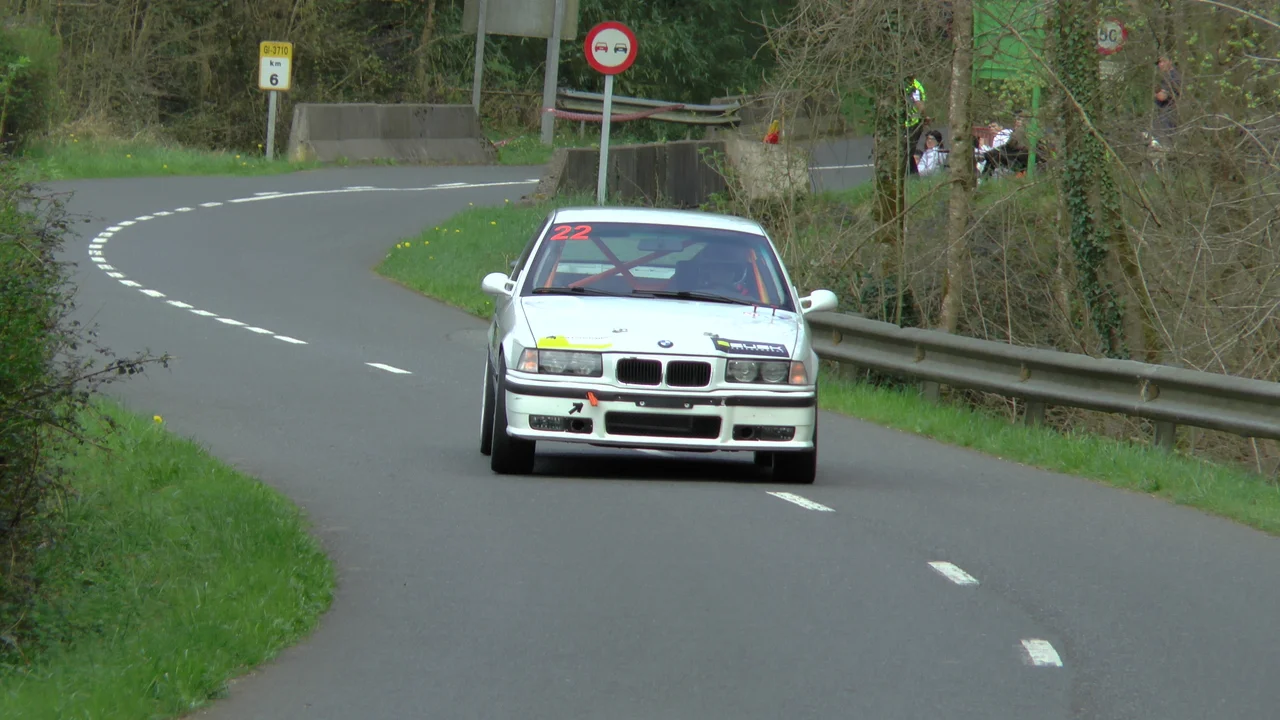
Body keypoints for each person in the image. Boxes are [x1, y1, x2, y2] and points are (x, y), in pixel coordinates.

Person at [903, 76, 928, 175]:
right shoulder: (912, 84)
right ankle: (913, 176)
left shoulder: (913, 86)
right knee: (908, 152)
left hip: (912, 124)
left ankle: (912, 175)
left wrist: (924, 117)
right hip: (909, 123)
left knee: (906, 152)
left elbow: (919, 104)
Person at [1154, 55, 1181, 139]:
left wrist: (1157, 94)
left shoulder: (1174, 77)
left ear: (1170, 61)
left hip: (1170, 113)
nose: (1161, 64)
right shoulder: (1165, 77)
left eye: (1163, 61)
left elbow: (1162, 96)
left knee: (1168, 138)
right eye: (1159, 62)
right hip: (1164, 112)